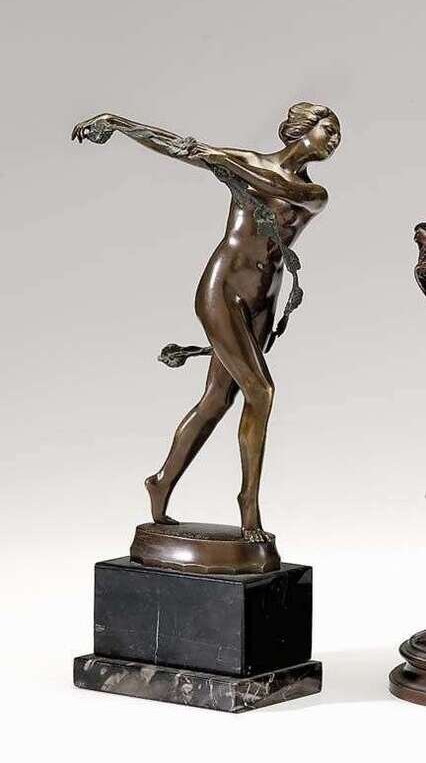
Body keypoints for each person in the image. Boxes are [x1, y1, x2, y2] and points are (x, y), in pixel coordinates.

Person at [72, 102, 341, 541]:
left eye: (337, 135)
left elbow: (275, 185)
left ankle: (161, 482)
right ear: (300, 129)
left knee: (217, 399)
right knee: (261, 391)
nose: (334, 140)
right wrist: (118, 123)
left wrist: (220, 160)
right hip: (223, 289)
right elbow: (183, 148)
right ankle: (249, 507)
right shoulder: (248, 162)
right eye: (328, 129)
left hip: (263, 300)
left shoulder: (314, 194)